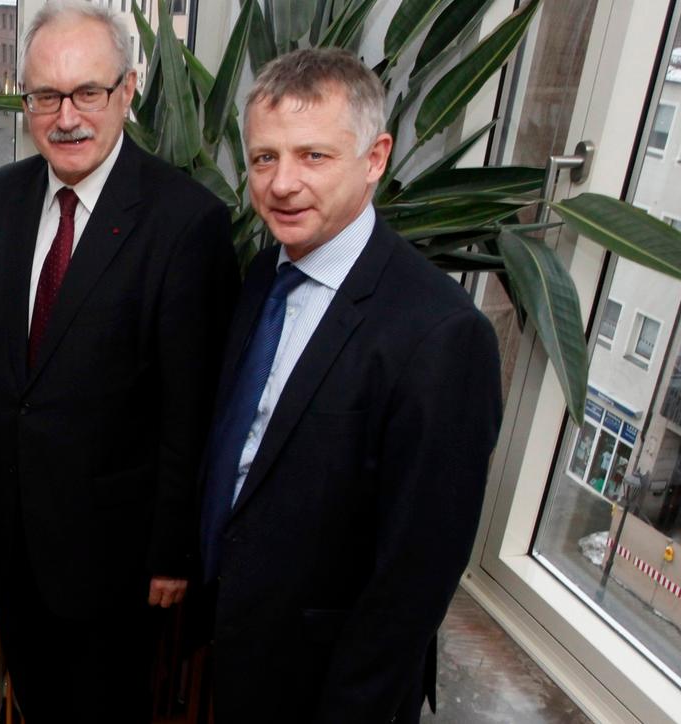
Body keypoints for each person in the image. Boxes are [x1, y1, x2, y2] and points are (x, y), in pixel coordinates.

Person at [0, 2, 238, 721]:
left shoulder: (185, 221)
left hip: (116, 554)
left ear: (127, 90)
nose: (64, 116)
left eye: (87, 93)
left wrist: (173, 551)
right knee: (36, 700)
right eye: (44, 96)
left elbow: (190, 406)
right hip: (12, 534)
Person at [198, 48, 502, 723]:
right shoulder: (262, 277)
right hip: (240, 650)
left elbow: (414, 576)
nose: (280, 184)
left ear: (374, 158)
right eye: (263, 158)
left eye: (313, 156)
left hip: (331, 687)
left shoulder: (442, 337)